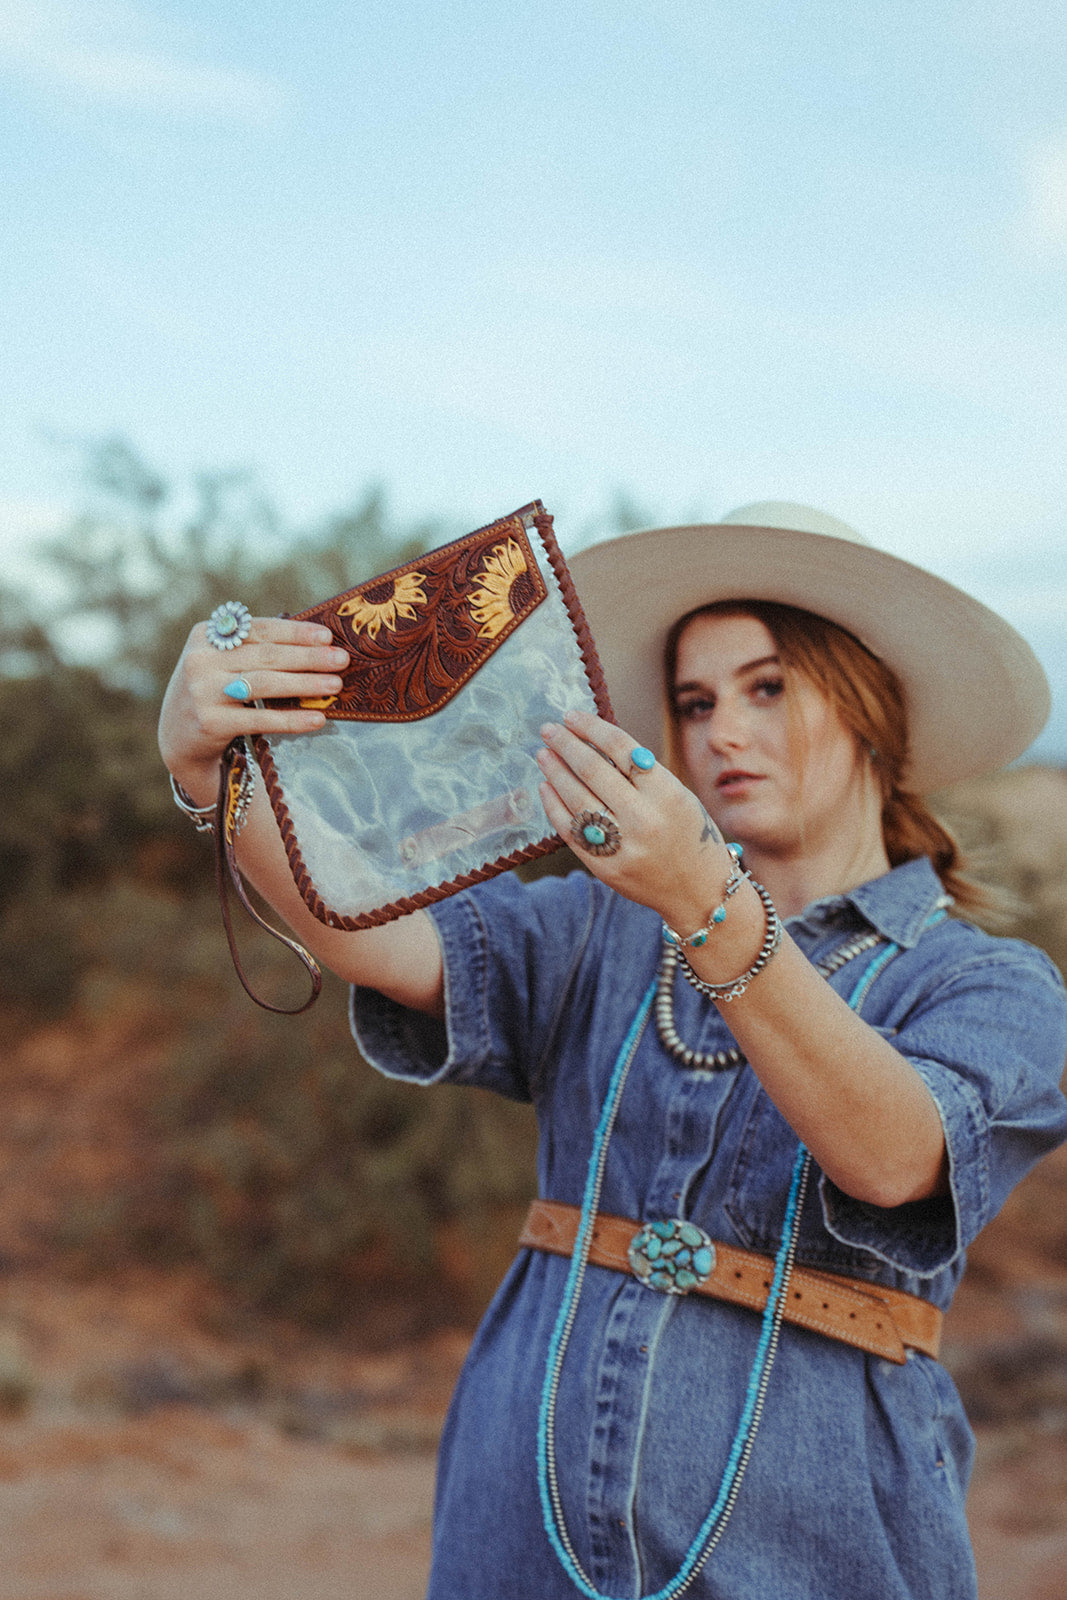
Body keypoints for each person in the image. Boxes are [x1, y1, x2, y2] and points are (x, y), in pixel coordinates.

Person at [158, 501, 1067, 1600]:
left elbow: (893, 1159)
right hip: (520, 1512)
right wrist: (217, 773)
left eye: (767, 685)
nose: (722, 730)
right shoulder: (598, 927)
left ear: (870, 707)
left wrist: (704, 896)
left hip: (815, 1528)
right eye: (694, 702)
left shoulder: (985, 981)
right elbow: (365, 925)